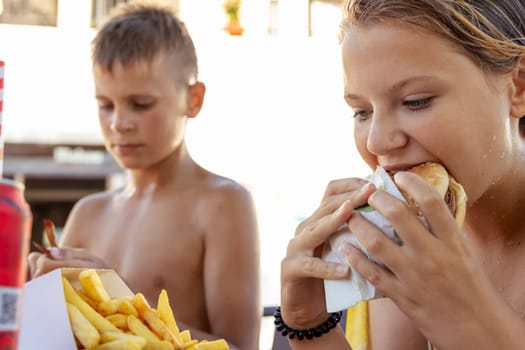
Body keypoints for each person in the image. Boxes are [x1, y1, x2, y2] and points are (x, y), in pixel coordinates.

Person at [278, 0, 525, 349]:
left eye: (416, 101)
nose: (377, 141)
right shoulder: (402, 242)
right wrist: (308, 325)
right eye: (362, 112)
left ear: (518, 85)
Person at [27, 2, 261, 349]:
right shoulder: (88, 213)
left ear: (193, 100)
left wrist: (120, 298)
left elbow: (241, 346)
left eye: (140, 104)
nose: (119, 123)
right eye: (105, 105)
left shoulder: (222, 204)